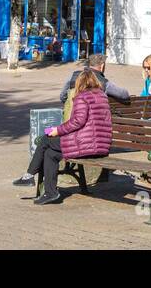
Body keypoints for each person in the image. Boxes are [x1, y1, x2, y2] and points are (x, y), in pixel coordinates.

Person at [12, 67, 112, 205]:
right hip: (101, 145)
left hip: (88, 145)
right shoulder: (102, 96)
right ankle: (50, 193)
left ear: (80, 83)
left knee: (47, 138)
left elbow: (77, 122)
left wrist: (57, 130)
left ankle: (29, 175)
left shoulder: (82, 97)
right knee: (50, 154)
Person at [60, 53, 131, 106]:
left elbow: (63, 97)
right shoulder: (103, 82)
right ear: (102, 66)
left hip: (73, 116)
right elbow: (124, 95)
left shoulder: (73, 75)